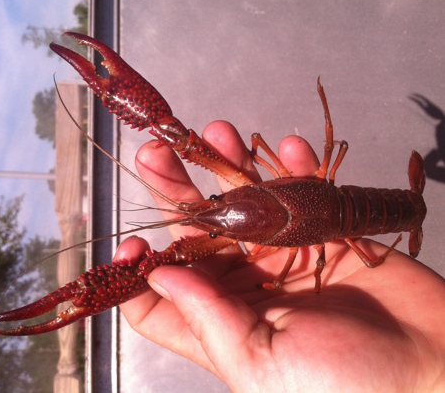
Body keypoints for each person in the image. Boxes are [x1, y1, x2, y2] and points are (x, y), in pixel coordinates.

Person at [114, 121, 445, 392]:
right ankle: (411, 213)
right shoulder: (248, 187)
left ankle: (411, 211)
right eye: (215, 234)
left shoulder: (258, 248)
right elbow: (334, 146)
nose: (212, 223)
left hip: (372, 213)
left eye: (216, 198)